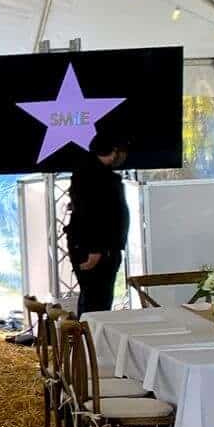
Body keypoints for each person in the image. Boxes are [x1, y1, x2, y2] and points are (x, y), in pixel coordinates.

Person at [66, 131, 130, 315]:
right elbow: (90, 214)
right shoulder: (92, 175)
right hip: (95, 249)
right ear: (114, 151)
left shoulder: (96, 173)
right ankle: (89, 341)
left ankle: (89, 340)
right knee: (96, 301)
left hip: (102, 248)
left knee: (98, 299)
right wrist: (95, 250)